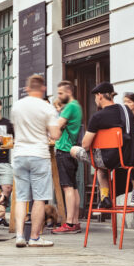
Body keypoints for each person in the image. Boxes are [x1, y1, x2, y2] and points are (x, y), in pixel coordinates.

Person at [69, 82, 134, 209]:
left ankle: (105, 197)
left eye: (95, 97)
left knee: (76, 151)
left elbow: (85, 145)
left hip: (107, 160)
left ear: (100, 96)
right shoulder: (126, 111)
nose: (95, 100)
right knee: (101, 163)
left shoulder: (97, 117)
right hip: (127, 158)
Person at [10, 74, 61, 248]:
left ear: (27, 88)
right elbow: (55, 135)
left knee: (21, 198)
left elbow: (14, 128)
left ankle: (19, 236)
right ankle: (34, 238)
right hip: (39, 155)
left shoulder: (17, 106)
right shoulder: (47, 108)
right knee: (39, 199)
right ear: (43, 89)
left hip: (19, 154)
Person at [52, 81, 83, 234]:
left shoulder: (70, 107)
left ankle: (69, 223)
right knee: (74, 187)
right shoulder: (77, 106)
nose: (59, 96)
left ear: (68, 92)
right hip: (71, 150)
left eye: (60, 93)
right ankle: (75, 221)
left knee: (67, 187)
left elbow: (57, 125)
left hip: (64, 149)